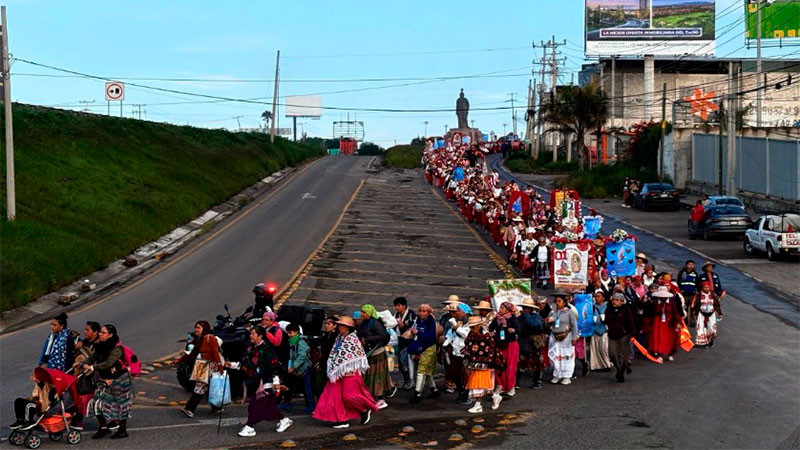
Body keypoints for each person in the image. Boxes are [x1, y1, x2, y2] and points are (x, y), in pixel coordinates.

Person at [313, 316, 378, 429]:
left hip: (350, 373)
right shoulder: (339, 338)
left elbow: (355, 355)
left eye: (342, 325)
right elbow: (335, 354)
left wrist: (345, 368)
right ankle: (341, 419)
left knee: (350, 396)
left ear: (348, 327)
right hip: (337, 372)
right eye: (339, 325)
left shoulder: (352, 339)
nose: (339, 327)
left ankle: (364, 408)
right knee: (333, 396)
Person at [234, 326, 292, 437]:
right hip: (254, 381)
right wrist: (233, 365)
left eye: (253, 334)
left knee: (256, 405)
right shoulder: (250, 348)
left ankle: (250, 426)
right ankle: (283, 420)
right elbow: (245, 363)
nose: (250, 336)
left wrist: (276, 382)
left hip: (266, 382)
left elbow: (274, 366)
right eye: (250, 334)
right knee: (268, 405)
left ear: (260, 336)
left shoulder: (267, 349)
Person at [82, 325, 132, 439]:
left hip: (119, 378)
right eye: (100, 332)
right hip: (104, 378)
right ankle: (103, 427)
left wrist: (92, 368)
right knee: (96, 402)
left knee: (121, 403)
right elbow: (92, 358)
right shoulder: (100, 346)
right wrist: (81, 364)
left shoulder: (117, 349)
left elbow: (109, 363)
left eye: (103, 333)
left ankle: (122, 429)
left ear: (110, 335)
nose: (100, 334)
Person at [177, 321, 223, 418]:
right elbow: (191, 353)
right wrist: (178, 360)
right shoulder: (199, 340)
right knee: (210, 387)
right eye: (195, 327)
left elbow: (215, 352)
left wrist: (220, 366)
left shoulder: (210, 338)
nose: (196, 330)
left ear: (204, 329)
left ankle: (189, 409)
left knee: (200, 388)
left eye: (198, 328)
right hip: (203, 366)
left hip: (210, 366)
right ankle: (216, 407)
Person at [463, 316, 501, 413]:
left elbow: (491, 351)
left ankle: (478, 405)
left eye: (473, 327)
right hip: (474, 364)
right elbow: (468, 347)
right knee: (484, 386)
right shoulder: (471, 335)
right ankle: (495, 397)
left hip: (485, 365)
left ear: (478, 326)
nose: (472, 329)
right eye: (471, 327)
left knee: (477, 385)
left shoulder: (487, 337)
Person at [357, 304, 392, 410]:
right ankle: (372, 397)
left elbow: (383, 335)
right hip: (369, 354)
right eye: (362, 312)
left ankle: (380, 398)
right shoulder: (364, 323)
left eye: (364, 312)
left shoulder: (375, 323)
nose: (362, 314)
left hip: (377, 353)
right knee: (369, 376)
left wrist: (367, 340)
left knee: (377, 377)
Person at [407, 304, 439, 403]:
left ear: (429, 312)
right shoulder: (417, 320)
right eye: (420, 310)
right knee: (426, 370)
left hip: (428, 348)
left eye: (424, 311)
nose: (421, 313)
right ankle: (434, 389)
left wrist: (418, 333)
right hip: (419, 347)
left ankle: (417, 393)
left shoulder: (431, 322)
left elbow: (431, 338)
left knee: (421, 370)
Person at [443, 303, 472, 404]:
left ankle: (466, 394)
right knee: (456, 374)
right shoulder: (457, 322)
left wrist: (457, 328)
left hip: (464, 353)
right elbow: (451, 335)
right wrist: (446, 343)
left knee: (465, 374)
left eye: (459, 311)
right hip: (455, 351)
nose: (457, 313)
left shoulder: (470, 323)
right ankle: (461, 392)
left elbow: (466, 334)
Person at [546, 293, 578, 385]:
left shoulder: (569, 312)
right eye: (556, 301)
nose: (557, 303)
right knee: (554, 355)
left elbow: (574, 325)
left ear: (564, 302)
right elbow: (547, 324)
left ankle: (566, 376)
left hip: (566, 337)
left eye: (559, 301)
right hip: (554, 337)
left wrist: (574, 337)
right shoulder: (552, 312)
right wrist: (548, 321)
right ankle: (557, 375)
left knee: (566, 357)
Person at [489, 302, 520, 397]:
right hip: (499, 344)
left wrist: (513, 330)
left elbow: (519, 329)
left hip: (510, 345)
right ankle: (500, 385)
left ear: (507, 310)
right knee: (499, 365)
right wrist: (492, 332)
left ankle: (511, 387)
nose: (500, 309)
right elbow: (491, 327)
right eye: (500, 307)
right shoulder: (497, 318)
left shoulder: (512, 318)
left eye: (503, 308)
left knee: (510, 366)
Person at [284, 323, 315, 414]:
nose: (289, 335)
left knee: (307, 388)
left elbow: (302, 356)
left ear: (296, 332)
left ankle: (311, 406)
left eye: (290, 333)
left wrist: (293, 366)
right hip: (298, 367)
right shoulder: (293, 341)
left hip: (305, 367)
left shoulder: (301, 342)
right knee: (299, 386)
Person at [605, 293, 637, 382]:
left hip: (623, 334)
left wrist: (633, 335)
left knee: (621, 354)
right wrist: (603, 321)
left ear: (622, 302)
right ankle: (621, 367)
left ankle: (620, 372)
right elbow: (607, 320)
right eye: (613, 300)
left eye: (617, 300)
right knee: (611, 353)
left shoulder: (626, 310)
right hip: (612, 334)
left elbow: (631, 322)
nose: (614, 302)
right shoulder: (609, 309)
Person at [518, 297, 545, 389]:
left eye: (526, 307)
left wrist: (526, 316)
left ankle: (537, 381)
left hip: (534, 343)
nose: (524, 309)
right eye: (524, 307)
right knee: (521, 363)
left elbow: (537, 326)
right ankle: (516, 382)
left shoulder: (536, 317)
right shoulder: (520, 317)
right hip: (523, 342)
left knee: (537, 363)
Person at [648, 286, 680, 361]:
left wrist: (678, 322)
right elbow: (651, 313)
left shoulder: (672, 302)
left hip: (669, 322)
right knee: (659, 339)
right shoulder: (654, 302)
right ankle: (660, 355)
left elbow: (675, 312)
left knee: (670, 339)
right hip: (658, 322)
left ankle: (670, 353)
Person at [393, 297, 418, 390]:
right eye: (396, 305)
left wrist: (403, 326)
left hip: (408, 342)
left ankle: (411, 381)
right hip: (399, 341)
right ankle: (407, 380)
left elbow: (413, 326)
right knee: (401, 362)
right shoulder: (396, 315)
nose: (397, 307)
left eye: (399, 305)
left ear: (404, 306)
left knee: (407, 361)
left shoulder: (411, 314)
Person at [314, 315, 340, 398]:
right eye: (325, 324)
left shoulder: (337, 337)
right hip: (324, 363)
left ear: (335, 325)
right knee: (319, 386)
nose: (326, 326)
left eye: (329, 324)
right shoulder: (326, 335)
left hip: (331, 365)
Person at [691, 282, 723, 348]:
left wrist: (719, 313)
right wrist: (694, 313)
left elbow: (717, 304)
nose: (707, 289)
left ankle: (710, 341)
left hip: (711, 314)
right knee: (701, 327)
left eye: (708, 287)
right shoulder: (699, 295)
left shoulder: (713, 294)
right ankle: (703, 342)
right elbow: (696, 305)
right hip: (701, 314)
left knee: (711, 327)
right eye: (705, 287)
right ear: (702, 288)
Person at [588, 291, 612, 371]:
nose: (596, 298)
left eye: (598, 296)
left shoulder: (608, 306)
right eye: (595, 296)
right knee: (595, 349)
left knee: (604, 349)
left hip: (604, 330)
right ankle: (597, 366)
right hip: (594, 330)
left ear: (603, 298)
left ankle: (607, 364)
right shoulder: (592, 307)